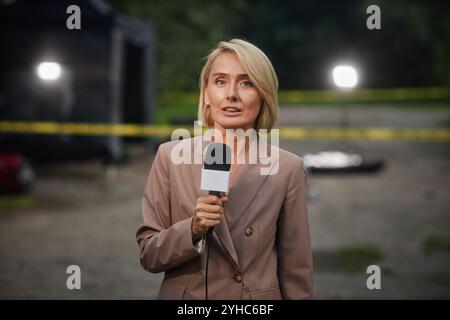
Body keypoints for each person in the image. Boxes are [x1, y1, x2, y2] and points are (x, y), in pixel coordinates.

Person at [136, 39, 313, 300]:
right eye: (220, 81)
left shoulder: (288, 168)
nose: (231, 94)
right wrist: (194, 228)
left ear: (263, 94)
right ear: (206, 94)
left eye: (246, 82)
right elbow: (149, 255)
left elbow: (296, 270)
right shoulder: (170, 157)